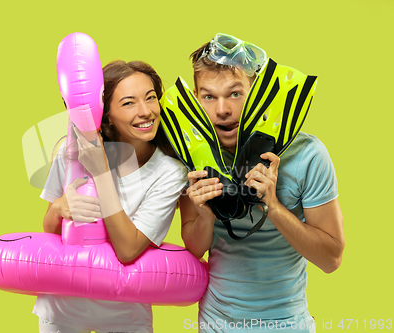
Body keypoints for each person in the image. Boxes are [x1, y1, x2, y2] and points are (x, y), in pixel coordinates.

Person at [179, 33, 345, 332]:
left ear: (257, 94)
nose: (222, 110)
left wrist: (274, 207)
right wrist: (204, 214)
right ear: (195, 97)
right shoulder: (189, 155)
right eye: (209, 96)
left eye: (235, 93)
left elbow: (331, 259)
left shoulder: (308, 154)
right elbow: (193, 247)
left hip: (287, 325)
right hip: (215, 324)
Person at [32, 60, 188, 333]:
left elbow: (128, 249)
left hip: (125, 313)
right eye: (129, 103)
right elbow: (51, 232)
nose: (146, 111)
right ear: (106, 115)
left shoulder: (170, 172)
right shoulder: (70, 153)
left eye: (151, 98)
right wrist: (57, 209)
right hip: (62, 307)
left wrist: (101, 172)